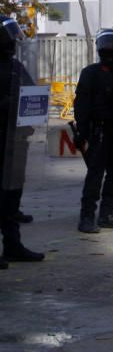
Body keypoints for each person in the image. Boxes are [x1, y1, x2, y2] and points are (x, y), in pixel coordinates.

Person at [74, 29, 113, 233]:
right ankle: (87, 216)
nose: (110, 50)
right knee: (95, 176)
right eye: (107, 46)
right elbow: (81, 104)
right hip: (99, 131)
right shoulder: (90, 73)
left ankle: (106, 214)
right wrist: (82, 131)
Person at [0, 16, 45, 266]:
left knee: (11, 195)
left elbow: (30, 92)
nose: (11, 42)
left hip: (15, 140)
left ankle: (12, 245)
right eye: (7, 38)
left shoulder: (16, 66)